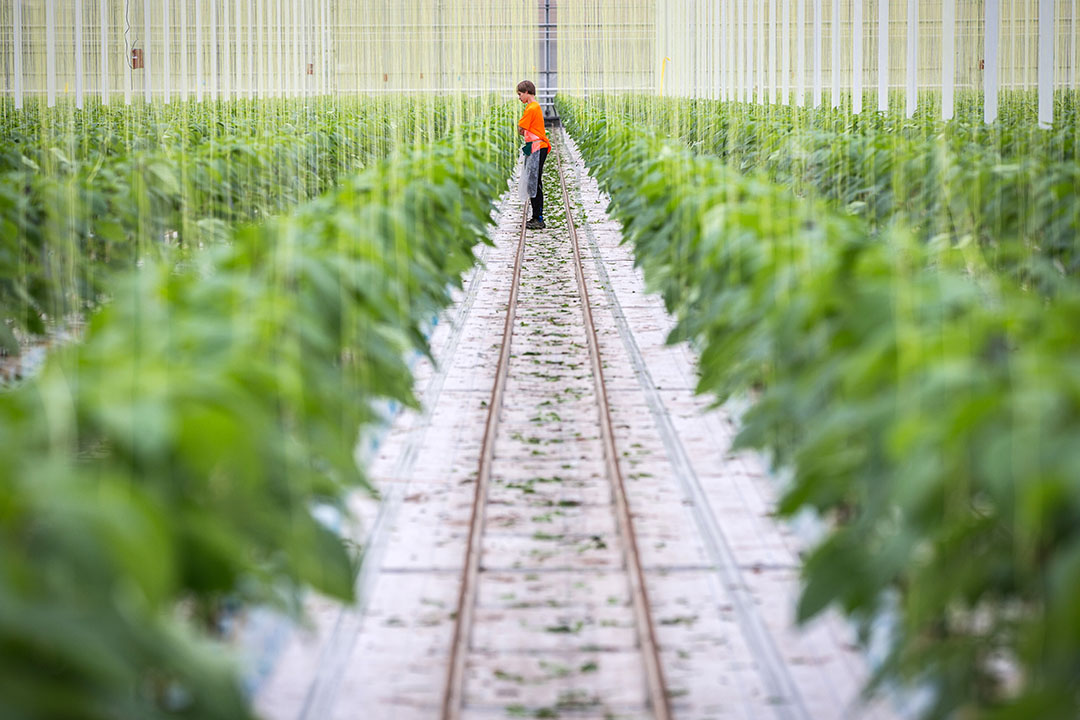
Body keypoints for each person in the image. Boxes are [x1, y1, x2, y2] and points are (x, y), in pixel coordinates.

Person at [516, 80, 551, 230]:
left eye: (520, 94)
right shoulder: (534, 107)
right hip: (535, 146)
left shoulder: (531, 108)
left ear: (527, 92)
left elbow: (520, 128)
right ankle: (536, 216)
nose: (519, 98)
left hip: (537, 147)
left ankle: (538, 218)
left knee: (534, 182)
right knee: (534, 181)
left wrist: (522, 129)